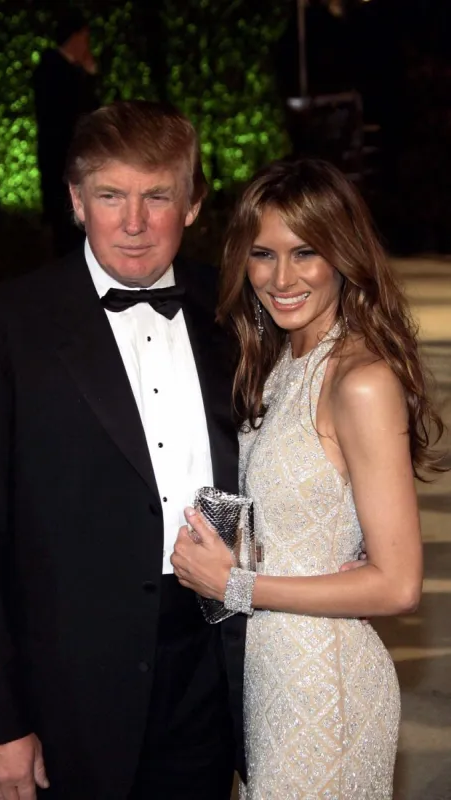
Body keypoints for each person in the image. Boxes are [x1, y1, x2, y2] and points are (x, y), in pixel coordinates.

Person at [0, 101, 246, 800]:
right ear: (76, 201)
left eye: (157, 196)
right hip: (61, 700)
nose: (133, 222)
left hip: (209, 678)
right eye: (110, 195)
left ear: (191, 204)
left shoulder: (236, 314)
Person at [171, 158, 446, 798]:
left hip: (327, 688)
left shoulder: (361, 381)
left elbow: (400, 584)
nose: (282, 278)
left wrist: (236, 583)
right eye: (263, 254)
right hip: (275, 676)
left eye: (306, 253)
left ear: (343, 255)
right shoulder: (282, 360)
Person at [33, 9, 100, 257]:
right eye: (85, 37)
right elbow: (76, 114)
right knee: (67, 227)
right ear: (76, 37)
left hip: (72, 162)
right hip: (62, 164)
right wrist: (87, 76)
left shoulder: (64, 70)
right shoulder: (53, 70)